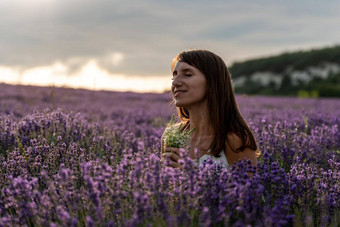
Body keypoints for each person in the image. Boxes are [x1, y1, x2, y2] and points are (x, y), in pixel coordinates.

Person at [161, 49, 259, 170]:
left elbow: (249, 188)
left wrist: (190, 175)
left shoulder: (234, 140)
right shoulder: (172, 135)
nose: (175, 82)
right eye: (174, 76)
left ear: (212, 81)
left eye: (187, 75)